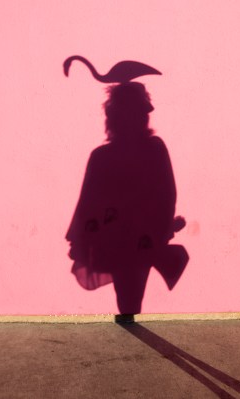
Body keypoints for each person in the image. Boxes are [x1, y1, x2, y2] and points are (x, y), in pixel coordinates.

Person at [66, 82, 188, 318]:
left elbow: (167, 195)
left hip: (138, 239)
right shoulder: (103, 156)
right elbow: (88, 204)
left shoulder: (148, 150)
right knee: (129, 299)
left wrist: (159, 230)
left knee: (129, 299)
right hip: (120, 241)